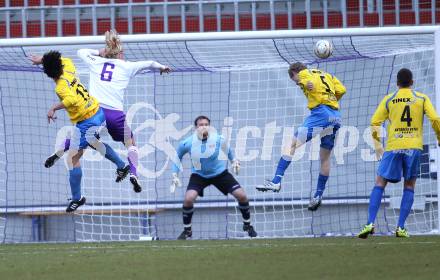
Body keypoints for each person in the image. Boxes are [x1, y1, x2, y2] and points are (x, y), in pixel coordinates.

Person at [44, 29, 171, 193]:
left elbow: (81, 51)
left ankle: (59, 151)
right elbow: (151, 63)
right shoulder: (127, 66)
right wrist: (162, 67)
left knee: (84, 140)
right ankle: (133, 174)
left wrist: (99, 52)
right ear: (119, 54)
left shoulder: (95, 62)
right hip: (115, 115)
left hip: (96, 112)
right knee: (130, 143)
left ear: (107, 52)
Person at [30, 51, 129, 212]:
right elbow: (64, 59)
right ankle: (121, 165)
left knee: (73, 158)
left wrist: (53, 107)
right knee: (92, 142)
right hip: (97, 111)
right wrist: (42, 60)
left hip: (87, 121)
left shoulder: (61, 87)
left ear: (48, 73)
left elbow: (72, 100)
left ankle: (77, 199)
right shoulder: (68, 66)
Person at [358, 68, 440, 238]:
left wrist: (378, 146)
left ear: (397, 83)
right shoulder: (421, 98)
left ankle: (370, 223)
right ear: (412, 82)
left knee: (380, 182)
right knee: (409, 185)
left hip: (394, 146)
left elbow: (375, 121)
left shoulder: (390, 99)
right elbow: (435, 119)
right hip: (414, 147)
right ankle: (400, 228)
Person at [257, 62, 346, 211]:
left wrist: (306, 83)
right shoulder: (327, 75)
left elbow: (305, 79)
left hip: (321, 113)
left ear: (295, 72)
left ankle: (276, 181)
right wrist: (330, 99)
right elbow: (342, 90)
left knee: (290, 145)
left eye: (294, 80)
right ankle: (318, 195)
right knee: (325, 158)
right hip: (336, 117)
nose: (297, 84)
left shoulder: (304, 73)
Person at [171, 115, 257, 239]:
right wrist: (175, 174)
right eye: (201, 124)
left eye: (206, 124)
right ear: (196, 127)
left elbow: (228, 151)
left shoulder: (218, 139)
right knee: (188, 199)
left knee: (242, 195)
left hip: (220, 174)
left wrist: (234, 161)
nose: (204, 126)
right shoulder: (187, 143)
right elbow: (177, 157)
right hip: (199, 175)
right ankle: (187, 230)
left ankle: (247, 225)